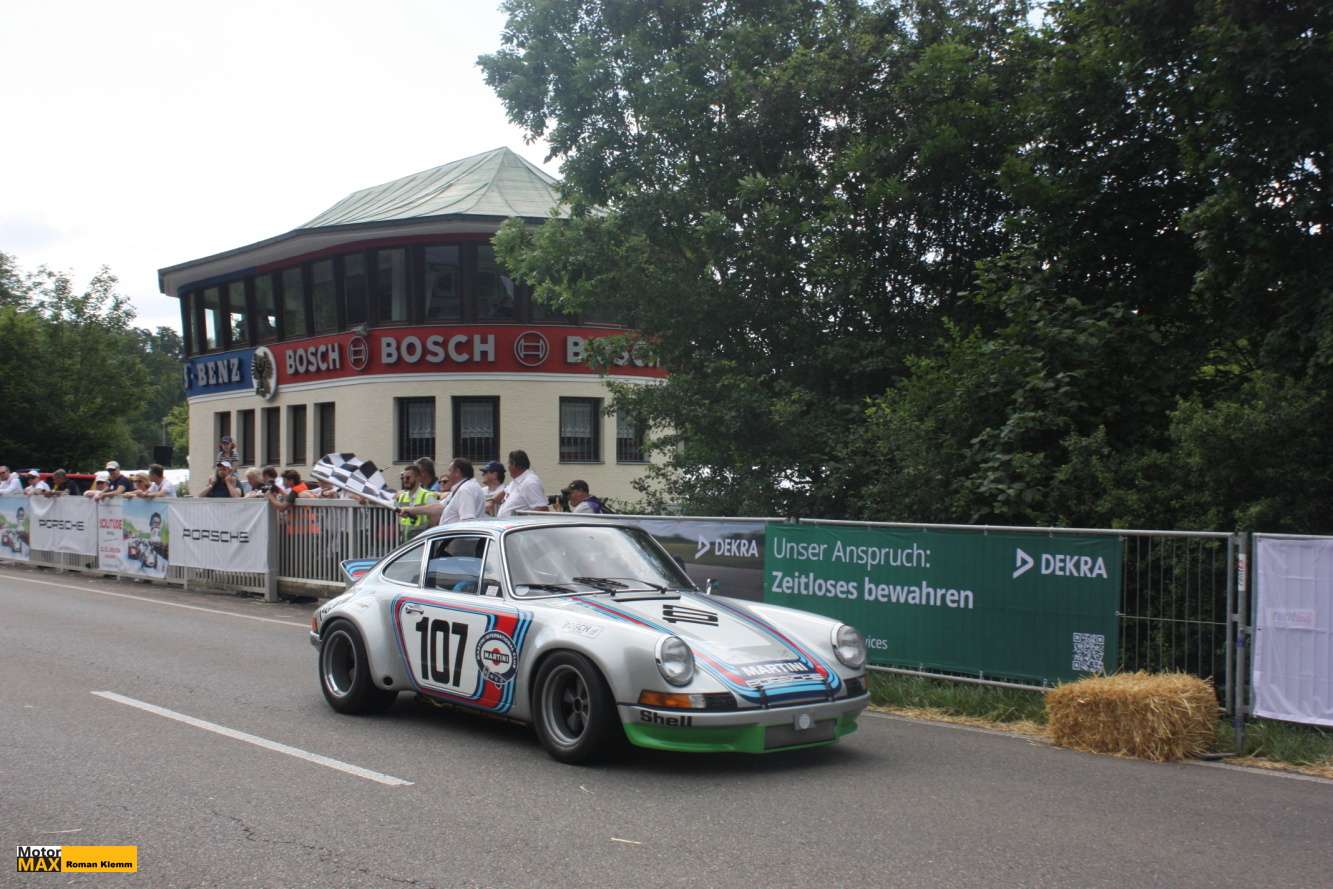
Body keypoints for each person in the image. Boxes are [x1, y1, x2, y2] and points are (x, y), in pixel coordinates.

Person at [495, 449, 548, 518]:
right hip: (507, 523)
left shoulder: (530, 482)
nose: (508, 467)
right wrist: (492, 501)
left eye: (509, 464)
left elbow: (542, 509)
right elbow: (505, 491)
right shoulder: (517, 481)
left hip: (519, 524)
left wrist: (525, 519)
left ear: (515, 465)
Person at [394, 465, 435, 539]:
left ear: (418, 478)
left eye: (408, 478)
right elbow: (396, 508)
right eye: (403, 478)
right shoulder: (402, 496)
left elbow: (436, 516)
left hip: (421, 539)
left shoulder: (427, 495)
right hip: (405, 539)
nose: (405, 480)